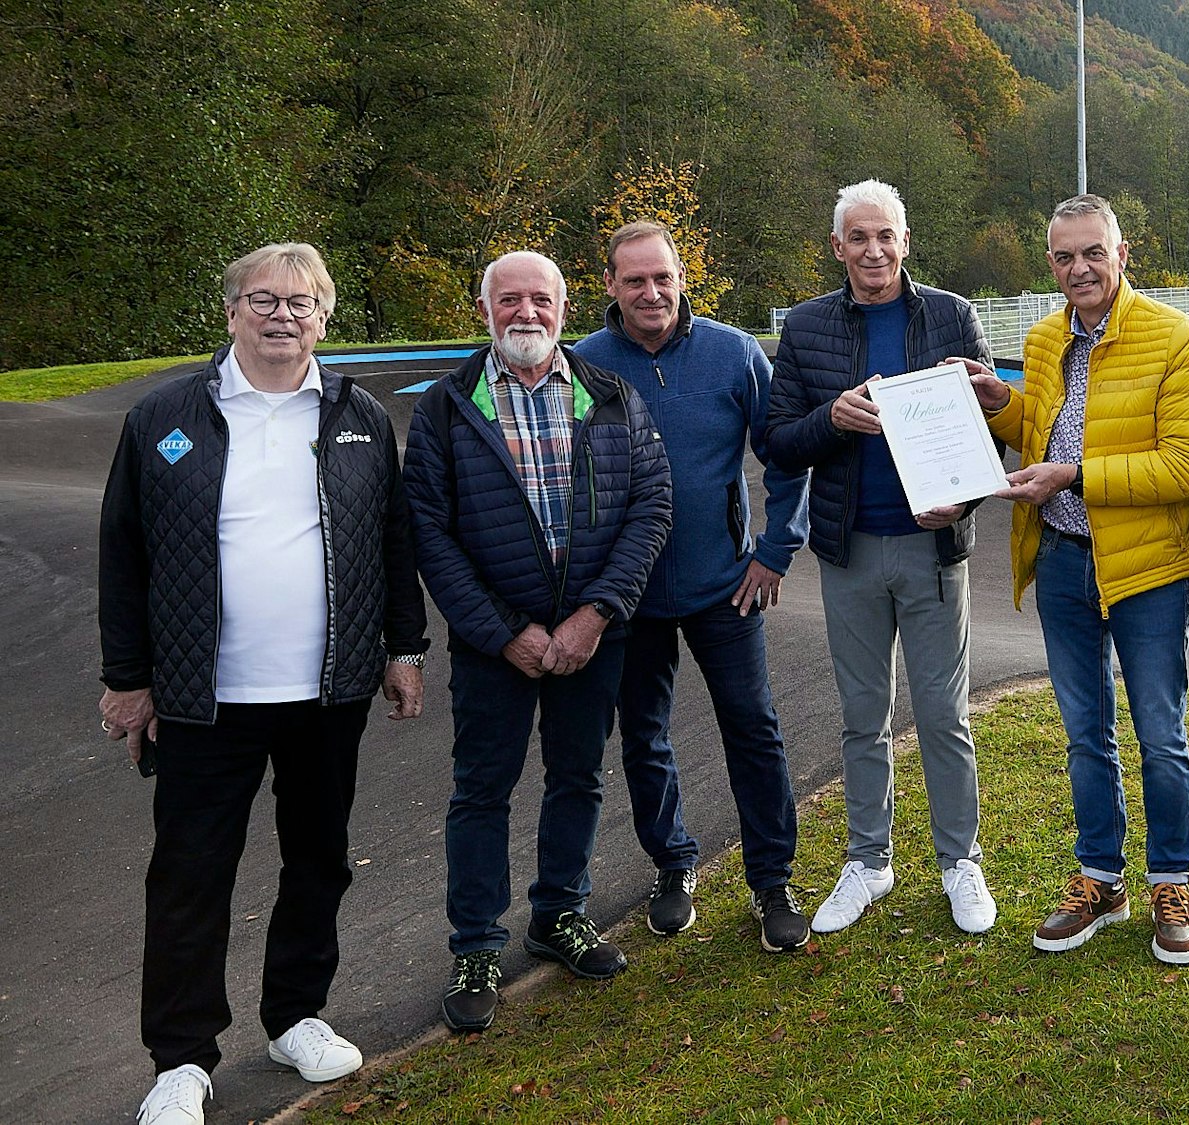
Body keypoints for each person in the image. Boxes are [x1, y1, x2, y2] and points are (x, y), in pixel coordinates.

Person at [98, 242, 429, 1125]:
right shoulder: (167, 417)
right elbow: (123, 554)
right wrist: (128, 680)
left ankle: (296, 1016)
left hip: (329, 692)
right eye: (264, 299)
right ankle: (181, 1060)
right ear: (232, 309)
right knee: (190, 875)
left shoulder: (358, 417)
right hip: (203, 698)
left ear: (326, 316)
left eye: (302, 301)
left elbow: (394, 540)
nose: (283, 315)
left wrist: (405, 648)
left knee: (317, 858)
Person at [402, 250, 672, 1033]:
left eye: (540, 299)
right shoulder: (449, 408)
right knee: (481, 790)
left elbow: (651, 506)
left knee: (578, 776)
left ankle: (559, 914)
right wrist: (502, 631)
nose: (526, 312)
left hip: (592, 635)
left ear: (564, 306)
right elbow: (430, 530)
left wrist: (596, 614)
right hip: (497, 645)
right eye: (509, 299)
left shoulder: (609, 394)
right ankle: (477, 946)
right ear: (485, 309)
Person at [970, 193, 1189, 964]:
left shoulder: (1174, 338)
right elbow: (1042, 424)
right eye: (1064, 256)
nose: (1079, 268)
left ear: (1121, 253)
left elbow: (1183, 467)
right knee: (1085, 733)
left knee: (1160, 735)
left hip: (1145, 568)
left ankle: (1170, 881)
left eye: (1092, 253)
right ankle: (1099, 878)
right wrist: (999, 402)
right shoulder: (1045, 339)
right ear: (1052, 263)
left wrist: (1071, 476)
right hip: (1065, 560)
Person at [765, 179, 999, 937]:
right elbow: (775, 440)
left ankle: (959, 860)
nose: (873, 249)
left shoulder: (954, 315)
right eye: (858, 237)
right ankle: (869, 859)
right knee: (863, 716)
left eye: (885, 235)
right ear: (838, 247)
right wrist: (830, 420)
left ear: (905, 240)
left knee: (942, 713)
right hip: (850, 549)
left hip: (934, 549)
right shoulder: (805, 329)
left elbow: (987, 433)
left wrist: (962, 502)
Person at [572, 222, 813, 951]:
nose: (652, 292)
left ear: (682, 278)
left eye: (663, 278)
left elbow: (787, 452)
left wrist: (774, 549)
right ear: (610, 284)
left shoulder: (732, 352)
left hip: (725, 586)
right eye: (635, 280)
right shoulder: (583, 363)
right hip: (628, 595)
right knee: (644, 735)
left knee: (754, 727)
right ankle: (672, 863)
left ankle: (773, 880)